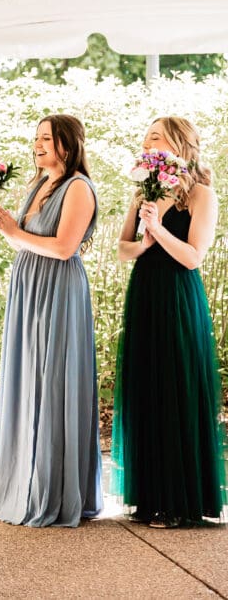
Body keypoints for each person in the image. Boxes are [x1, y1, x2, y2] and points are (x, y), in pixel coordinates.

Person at [0, 114, 103, 527]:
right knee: (28, 378)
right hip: (29, 289)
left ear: (67, 146)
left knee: (53, 380)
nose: (38, 145)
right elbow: (26, 238)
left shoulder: (78, 188)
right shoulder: (38, 184)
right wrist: (6, 228)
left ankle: (54, 490)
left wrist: (13, 233)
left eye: (47, 138)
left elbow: (65, 247)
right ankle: (25, 484)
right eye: (36, 137)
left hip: (58, 290)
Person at [111, 116, 226, 529]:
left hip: (178, 297)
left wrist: (158, 229)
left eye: (155, 137)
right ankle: (151, 498)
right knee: (147, 385)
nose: (147, 143)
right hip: (145, 294)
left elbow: (194, 258)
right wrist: (142, 240)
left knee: (176, 384)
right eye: (145, 138)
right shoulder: (143, 191)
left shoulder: (202, 195)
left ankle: (181, 502)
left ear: (179, 144)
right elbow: (123, 250)